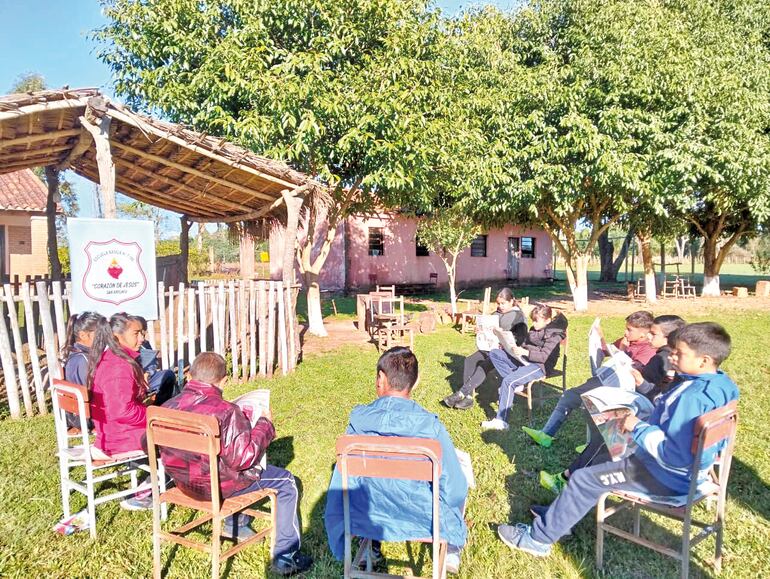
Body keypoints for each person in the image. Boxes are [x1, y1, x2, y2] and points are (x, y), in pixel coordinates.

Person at [497, 322, 739, 557]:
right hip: (689, 471)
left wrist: (637, 427)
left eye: (679, 353)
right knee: (604, 446)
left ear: (704, 360)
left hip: (664, 476)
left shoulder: (690, 398)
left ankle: (538, 540)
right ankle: (558, 517)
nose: (672, 356)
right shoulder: (722, 384)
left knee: (584, 479)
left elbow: (673, 454)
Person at [160, 352, 312, 576]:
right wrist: (264, 424)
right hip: (216, 487)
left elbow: (146, 444)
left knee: (223, 462)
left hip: (183, 483)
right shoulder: (226, 411)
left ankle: (237, 524)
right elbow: (244, 458)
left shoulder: (166, 407)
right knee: (286, 481)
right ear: (224, 381)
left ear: (190, 376)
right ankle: (286, 555)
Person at [325, 347, 469, 574]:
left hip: (365, 514)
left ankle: (370, 548)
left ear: (380, 379)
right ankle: (450, 549)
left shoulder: (358, 422)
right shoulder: (430, 427)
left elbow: (341, 484)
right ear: (416, 381)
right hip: (422, 516)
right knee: (461, 475)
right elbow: (455, 489)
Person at [538, 315, 686, 494]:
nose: (649, 336)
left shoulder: (662, 358)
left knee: (606, 432)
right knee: (600, 426)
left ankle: (566, 480)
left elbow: (653, 393)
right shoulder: (675, 361)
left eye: (653, 334)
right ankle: (577, 471)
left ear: (669, 337)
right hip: (652, 414)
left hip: (645, 416)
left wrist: (640, 382)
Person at [522, 310, 657, 447]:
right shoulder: (628, 340)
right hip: (605, 380)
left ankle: (592, 445)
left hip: (622, 389)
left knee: (591, 404)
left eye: (629, 330)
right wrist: (599, 338)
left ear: (643, 333)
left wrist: (622, 350)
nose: (625, 332)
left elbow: (632, 371)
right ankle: (546, 435)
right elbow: (606, 351)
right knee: (569, 396)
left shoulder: (648, 349)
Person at [481, 304, 568, 431]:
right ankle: (518, 384)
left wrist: (525, 352)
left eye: (536, 321)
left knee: (508, 382)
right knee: (495, 353)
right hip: (525, 360)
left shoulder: (554, 334)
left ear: (547, 320)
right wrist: (508, 344)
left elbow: (544, 356)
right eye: (533, 320)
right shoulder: (535, 329)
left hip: (540, 366)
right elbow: (525, 344)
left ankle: (502, 421)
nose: (534, 324)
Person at [442, 288, 527, 410]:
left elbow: (520, 339)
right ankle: (468, 398)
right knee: (470, 360)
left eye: (503, 303)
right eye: (498, 303)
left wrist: (504, 336)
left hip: (505, 353)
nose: (500, 306)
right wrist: (480, 330)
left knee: (484, 365)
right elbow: (488, 326)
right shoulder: (496, 313)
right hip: (489, 347)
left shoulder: (518, 316)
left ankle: (461, 393)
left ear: (511, 301)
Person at [88, 313, 149, 459]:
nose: (142, 338)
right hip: (122, 440)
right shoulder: (118, 366)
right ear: (117, 336)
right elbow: (122, 411)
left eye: (142, 333)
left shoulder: (111, 357)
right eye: (136, 334)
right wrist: (153, 415)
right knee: (182, 433)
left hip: (114, 434)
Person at [60, 311, 104, 430]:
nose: (103, 338)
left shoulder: (75, 354)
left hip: (78, 415)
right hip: (88, 417)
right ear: (83, 335)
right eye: (99, 334)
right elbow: (93, 394)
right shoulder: (83, 360)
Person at [128, 315, 178, 406]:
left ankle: (160, 406)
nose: (142, 338)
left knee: (168, 375)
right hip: (131, 383)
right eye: (138, 333)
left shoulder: (145, 344)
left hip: (147, 381)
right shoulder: (123, 348)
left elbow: (153, 362)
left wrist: (148, 373)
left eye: (143, 333)